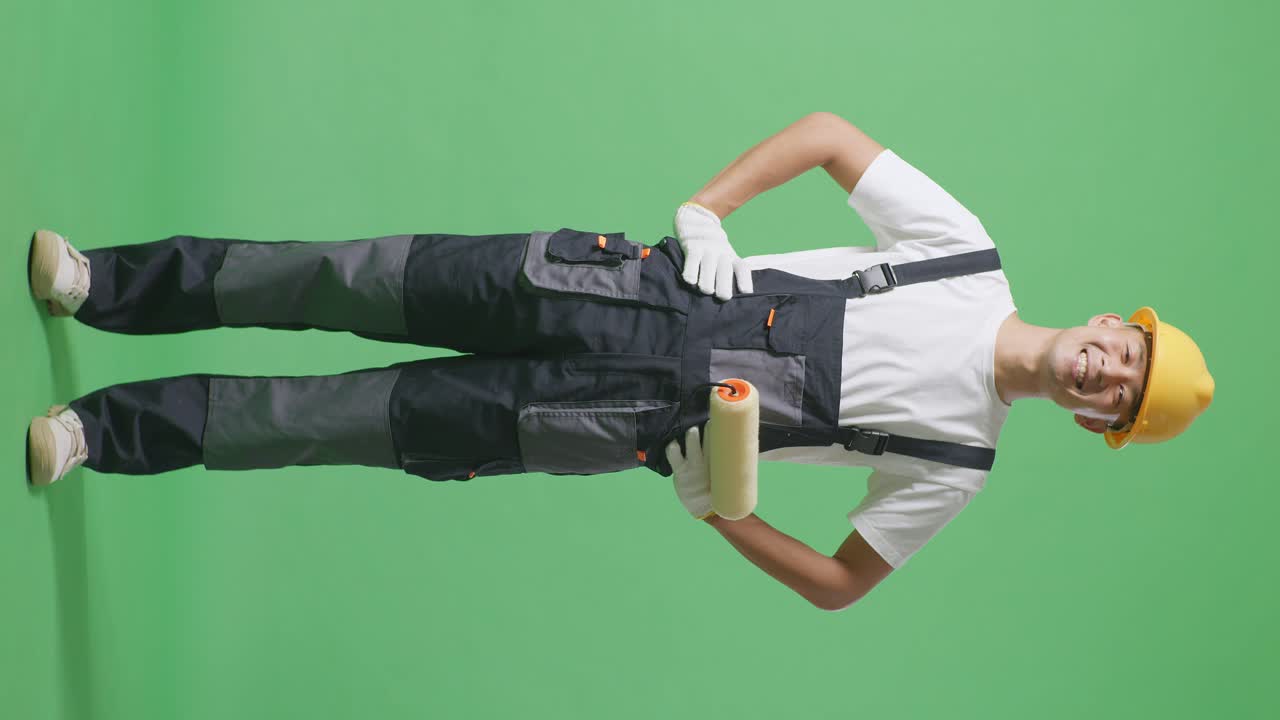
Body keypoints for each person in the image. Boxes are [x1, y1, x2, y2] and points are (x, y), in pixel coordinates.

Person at [25, 112, 1214, 611]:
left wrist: (723, 511)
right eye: (1126, 354)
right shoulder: (963, 257)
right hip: (610, 282)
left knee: (332, 420)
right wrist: (707, 213)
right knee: (344, 275)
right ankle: (103, 283)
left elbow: (840, 585)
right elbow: (828, 137)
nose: (1104, 371)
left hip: (602, 419)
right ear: (1115, 322)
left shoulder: (955, 462)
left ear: (1090, 422)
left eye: (1117, 397)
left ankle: (98, 435)